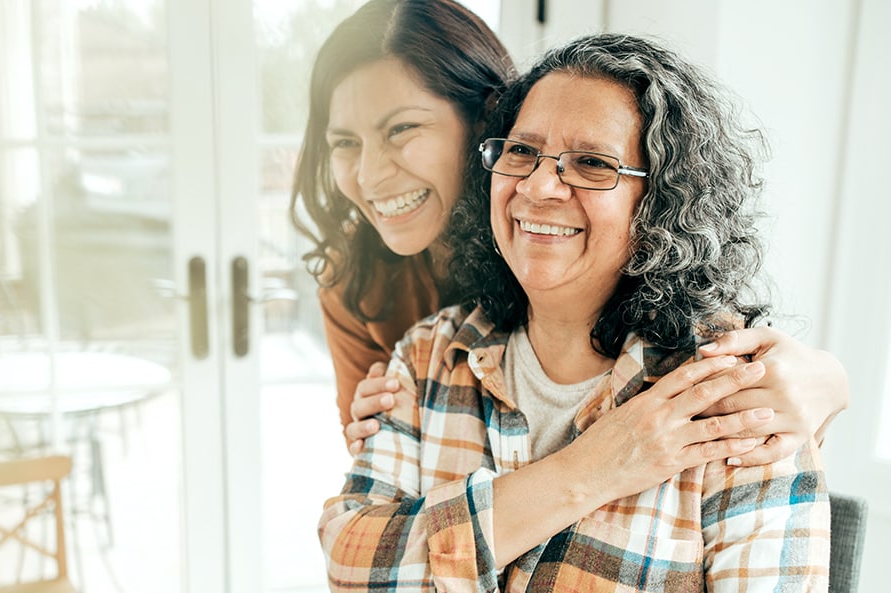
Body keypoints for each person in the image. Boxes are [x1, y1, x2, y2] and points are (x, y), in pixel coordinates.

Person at [318, 33, 830, 593]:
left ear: (663, 202)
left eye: (593, 164)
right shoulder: (429, 353)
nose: (538, 187)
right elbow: (350, 564)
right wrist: (595, 467)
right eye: (522, 152)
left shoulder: (732, 399)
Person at [290, 0, 848, 464]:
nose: (368, 175)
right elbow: (384, 490)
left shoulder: (610, 258)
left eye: (402, 128)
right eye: (344, 142)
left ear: (490, 120)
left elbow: (753, 388)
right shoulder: (355, 285)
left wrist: (829, 382)